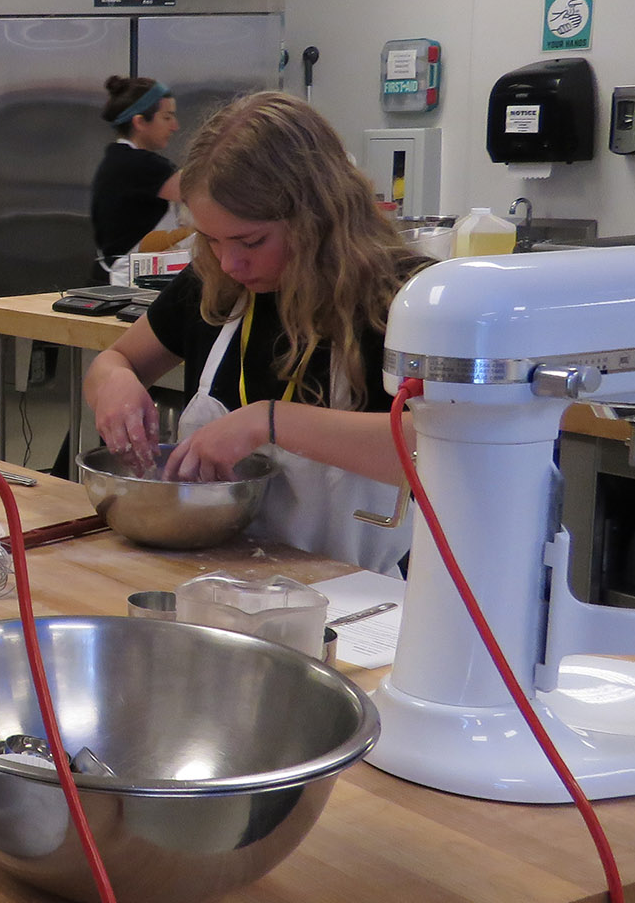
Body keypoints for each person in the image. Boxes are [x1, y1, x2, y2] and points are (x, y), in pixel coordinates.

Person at [83, 91, 431, 574]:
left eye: (251, 241)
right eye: (211, 239)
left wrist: (268, 422)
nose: (230, 262)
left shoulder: (405, 301)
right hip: (220, 577)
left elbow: (441, 450)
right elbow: (113, 361)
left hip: (358, 595)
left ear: (317, 218)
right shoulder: (214, 286)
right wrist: (115, 383)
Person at [89, 75, 183, 271]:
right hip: (130, 278)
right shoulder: (138, 165)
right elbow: (205, 193)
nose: (175, 126)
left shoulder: (119, 158)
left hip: (124, 275)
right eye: (167, 117)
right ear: (139, 122)